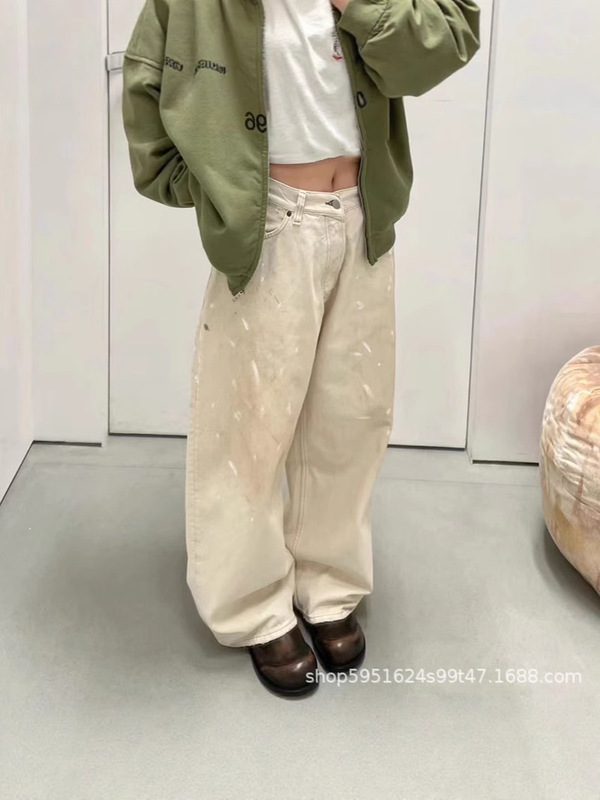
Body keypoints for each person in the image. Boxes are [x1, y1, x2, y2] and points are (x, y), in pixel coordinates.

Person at [122, 0, 481, 698]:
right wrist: (219, 191)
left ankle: (329, 584)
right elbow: (146, 82)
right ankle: (252, 604)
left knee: (350, 420)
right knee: (248, 428)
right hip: (270, 224)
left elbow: (447, 38)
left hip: (363, 221)